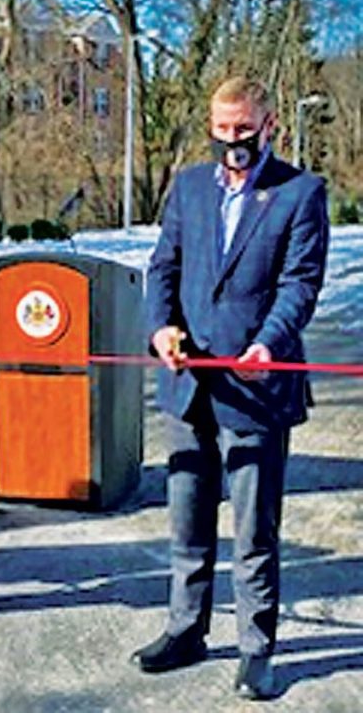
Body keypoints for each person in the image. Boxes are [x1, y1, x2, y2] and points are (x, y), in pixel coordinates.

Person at [135, 76, 329, 700]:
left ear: (268, 124)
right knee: (186, 521)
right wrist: (162, 327)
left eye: (243, 129)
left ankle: (256, 650)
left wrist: (268, 343)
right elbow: (163, 265)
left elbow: (300, 284)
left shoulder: (300, 193)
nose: (231, 141)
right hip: (188, 382)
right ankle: (186, 629)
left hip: (256, 388)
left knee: (253, 532)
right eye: (221, 129)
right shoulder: (190, 186)